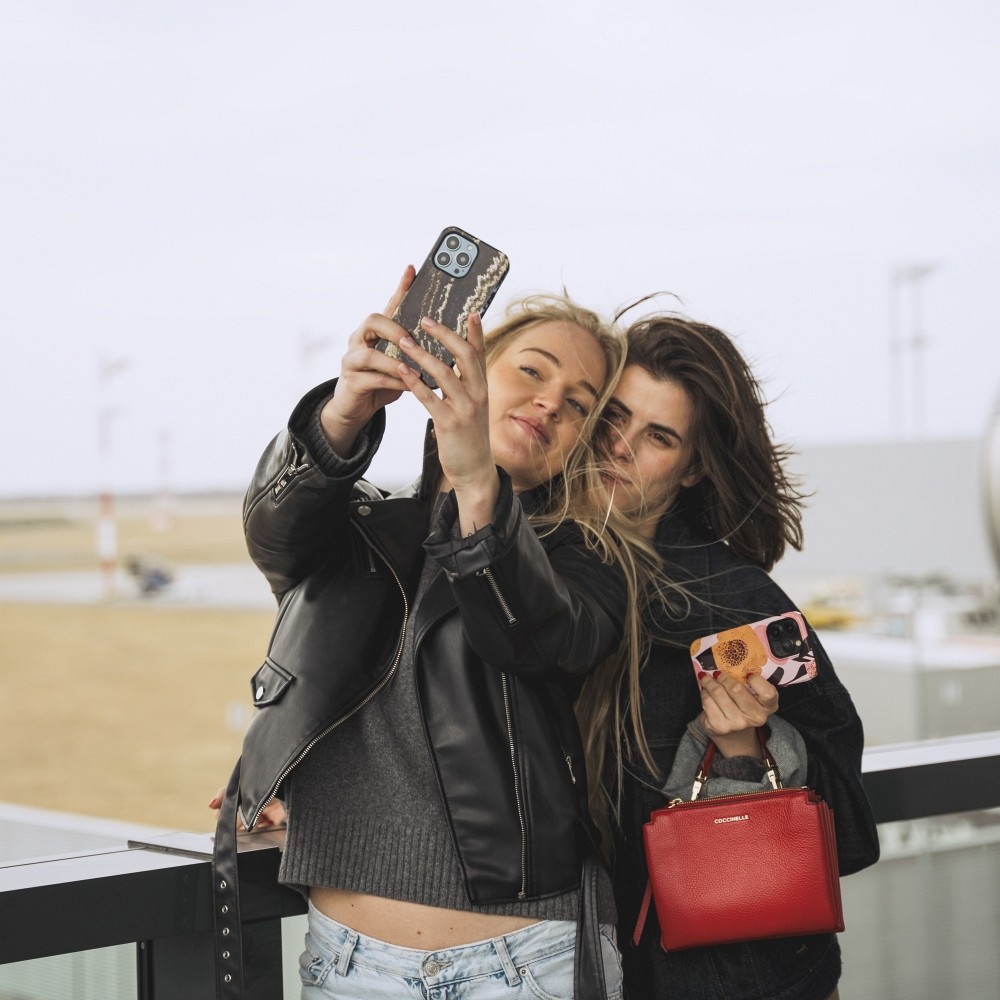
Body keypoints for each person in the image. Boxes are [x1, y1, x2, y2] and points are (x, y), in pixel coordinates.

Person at [212, 269, 646, 1000]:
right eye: (532, 371)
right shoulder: (357, 528)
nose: (549, 402)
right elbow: (274, 528)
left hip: (526, 963)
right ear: (461, 367)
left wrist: (477, 483)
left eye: (577, 405)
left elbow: (534, 637)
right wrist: (347, 407)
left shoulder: (589, 564)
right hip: (345, 964)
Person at [575, 313, 880, 1000]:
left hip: (734, 979)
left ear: (691, 470)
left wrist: (748, 750)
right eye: (614, 417)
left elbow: (847, 825)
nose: (620, 446)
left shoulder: (737, 602)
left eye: (658, 436)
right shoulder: (523, 575)